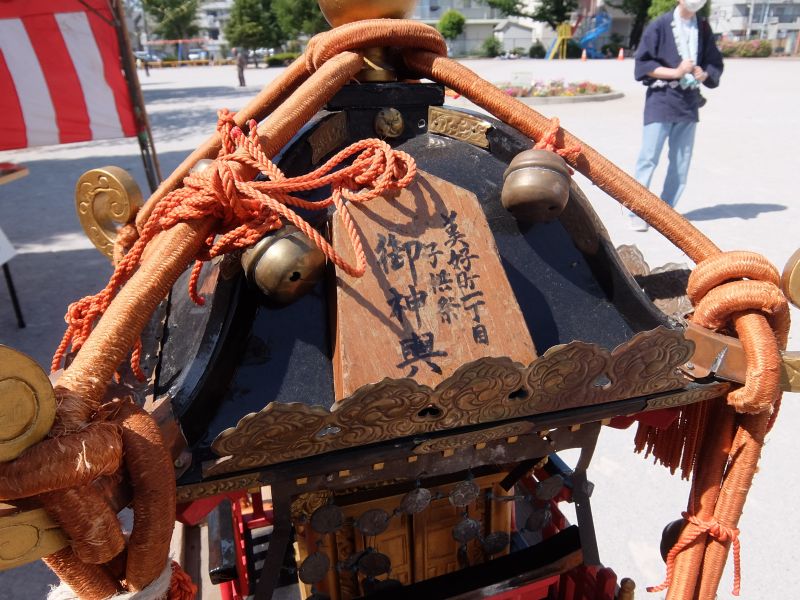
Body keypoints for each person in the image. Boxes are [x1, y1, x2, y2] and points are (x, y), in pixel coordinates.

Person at [630, 0, 723, 231]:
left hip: (688, 103)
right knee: (648, 158)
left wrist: (704, 74)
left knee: (681, 163)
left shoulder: (703, 27)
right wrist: (676, 72)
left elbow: (714, 63)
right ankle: (637, 211)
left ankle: (666, 212)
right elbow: (642, 63)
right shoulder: (660, 25)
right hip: (661, 100)